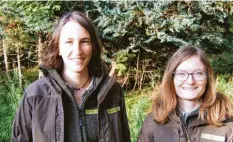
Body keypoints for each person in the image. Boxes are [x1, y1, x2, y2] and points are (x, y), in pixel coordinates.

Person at [12, 11, 130, 142]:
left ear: (93, 46)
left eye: (84, 41)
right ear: (58, 48)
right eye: (69, 42)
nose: (77, 51)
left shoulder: (112, 91)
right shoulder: (34, 95)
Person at [138, 45, 233, 142]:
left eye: (198, 73)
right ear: (171, 78)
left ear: (207, 78)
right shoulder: (153, 121)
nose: (190, 81)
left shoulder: (227, 122)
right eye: (181, 74)